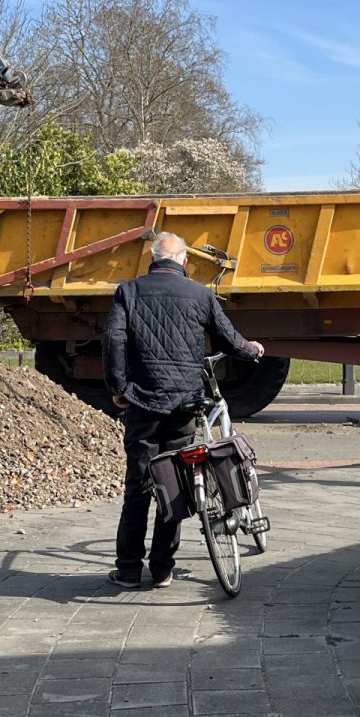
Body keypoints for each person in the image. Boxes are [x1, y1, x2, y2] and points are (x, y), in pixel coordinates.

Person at [102, 232, 265, 589]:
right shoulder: (200, 294)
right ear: (184, 261)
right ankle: (162, 570)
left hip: (143, 402)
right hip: (185, 404)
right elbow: (229, 339)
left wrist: (119, 389)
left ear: (152, 258)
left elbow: (113, 339)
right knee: (173, 484)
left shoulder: (128, 291)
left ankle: (128, 570)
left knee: (138, 487)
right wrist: (252, 349)